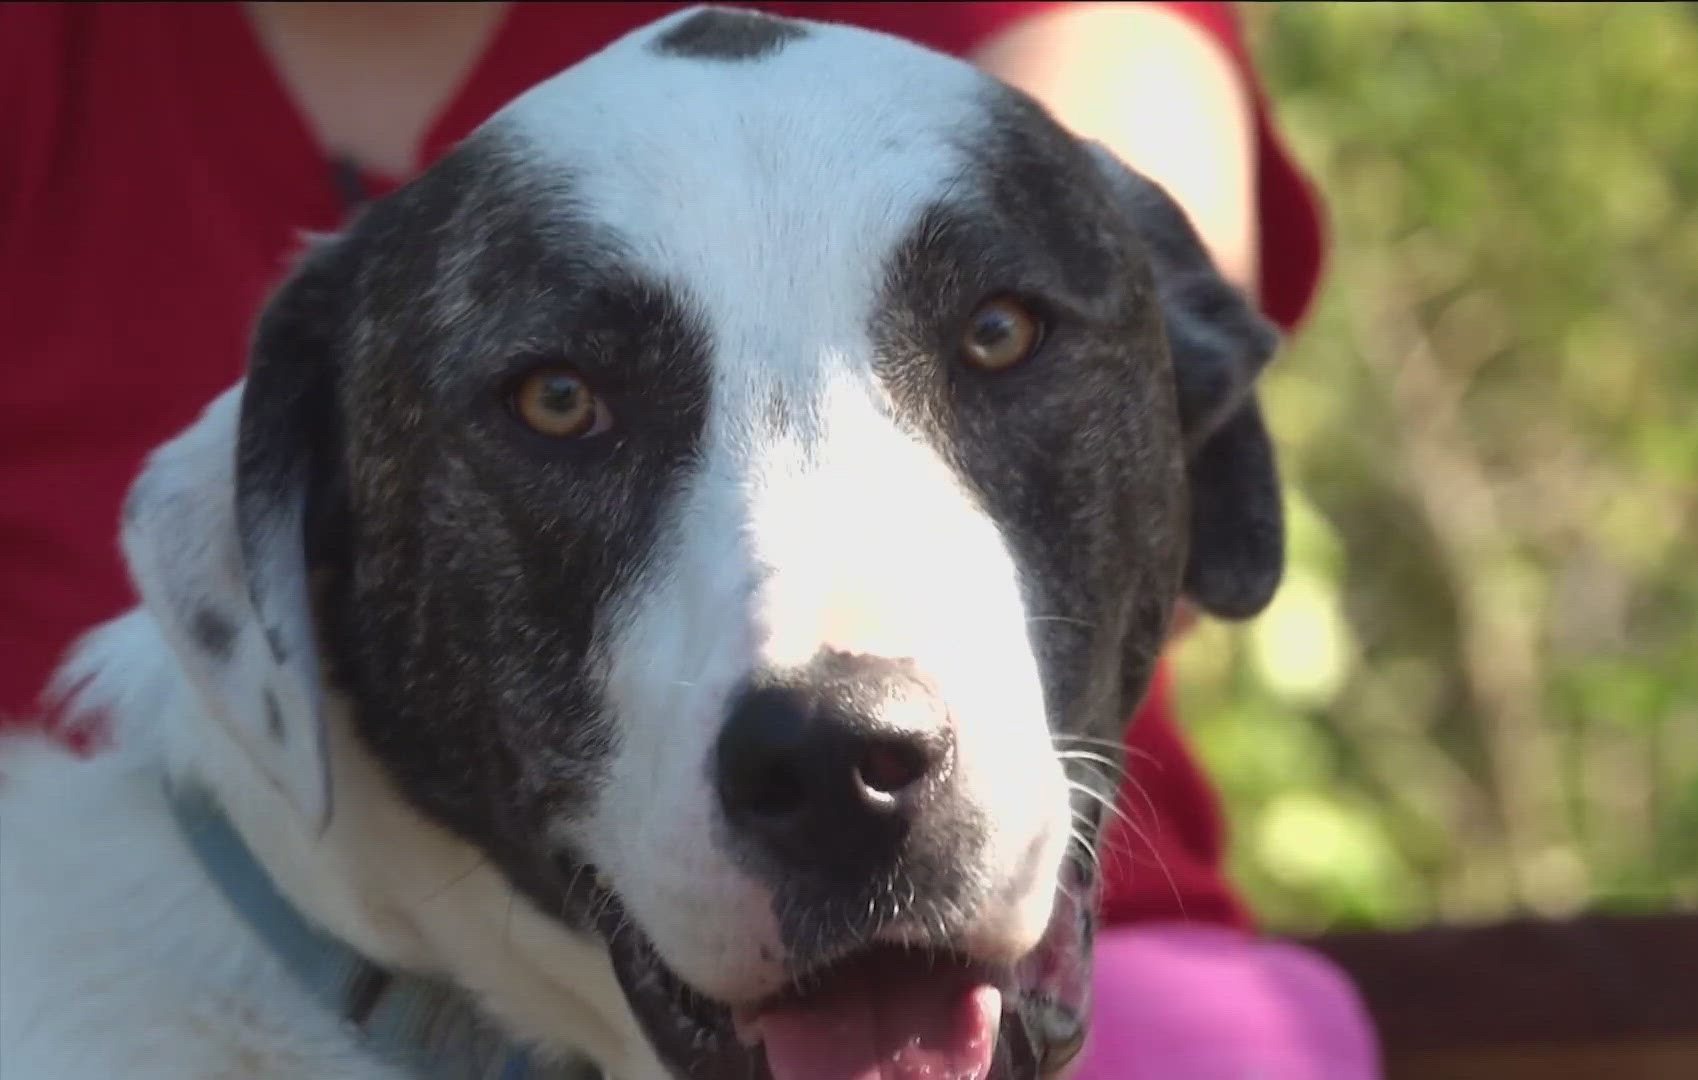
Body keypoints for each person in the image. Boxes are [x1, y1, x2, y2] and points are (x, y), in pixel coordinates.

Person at [0, 3, 1376, 1075]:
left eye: (996, 338)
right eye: (562, 402)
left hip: (1127, 973)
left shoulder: (1012, 35)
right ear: (259, 575)